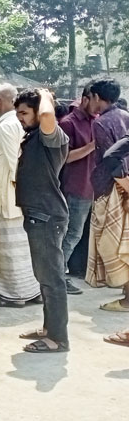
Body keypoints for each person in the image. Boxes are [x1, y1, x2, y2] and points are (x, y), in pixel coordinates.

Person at [14, 89, 71, 353]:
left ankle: (57, 339)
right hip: (39, 216)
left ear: (39, 111)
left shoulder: (52, 136)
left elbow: (48, 114)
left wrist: (43, 93)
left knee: (52, 279)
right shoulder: (35, 137)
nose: (20, 118)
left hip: (46, 217)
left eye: (25, 113)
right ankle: (50, 328)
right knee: (45, 276)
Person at [0, 86, 43, 308]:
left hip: (9, 200)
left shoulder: (7, 126)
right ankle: (23, 289)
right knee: (19, 250)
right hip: (13, 199)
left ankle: (16, 294)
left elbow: (17, 164)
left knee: (10, 251)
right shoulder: (10, 124)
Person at [86, 79, 129, 298]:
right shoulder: (125, 116)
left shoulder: (100, 123)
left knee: (109, 243)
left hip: (113, 186)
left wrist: (124, 184)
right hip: (124, 183)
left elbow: (111, 159)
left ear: (96, 97)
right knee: (125, 242)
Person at [56, 88, 94, 295]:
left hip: (90, 185)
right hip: (76, 185)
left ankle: (61, 274)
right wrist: (93, 146)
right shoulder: (68, 123)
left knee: (76, 235)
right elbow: (65, 157)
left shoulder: (94, 120)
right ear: (87, 99)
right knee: (71, 234)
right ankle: (58, 276)